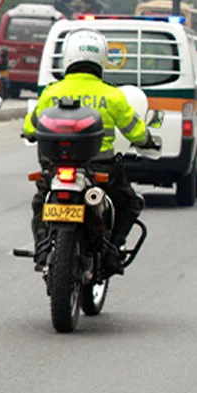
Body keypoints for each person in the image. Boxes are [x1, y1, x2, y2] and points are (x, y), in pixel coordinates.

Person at [22, 28, 156, 273]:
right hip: (99, 169)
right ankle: (112, 251)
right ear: (102, 60)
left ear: (68, 58)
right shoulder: (112, 95)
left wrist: (30, 132)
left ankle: (42, 247)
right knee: (130, 203)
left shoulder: (52, 92)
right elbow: (135, 131)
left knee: (41, 203)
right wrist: (147, 140)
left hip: (55, 168)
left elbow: (29, 126)